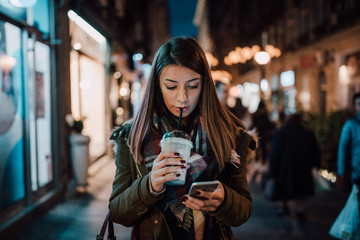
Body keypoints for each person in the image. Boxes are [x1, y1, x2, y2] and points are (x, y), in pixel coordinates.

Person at [108, 37, 257, 240]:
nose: (183, 98)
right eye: (171, 87)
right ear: (157, 86)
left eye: (193, 85)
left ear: (204, 85)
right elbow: (117, 212)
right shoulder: (133, 134)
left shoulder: (230, 135)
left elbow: (243, 211)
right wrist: (150, 185)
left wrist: (224, 200)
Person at [268, 114, 320, 221]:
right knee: (302, 191)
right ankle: (300, 211)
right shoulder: (307, 134)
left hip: (285, 167)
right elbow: (315, 151)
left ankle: (284, 207)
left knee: (283, 187)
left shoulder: (281, 133)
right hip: (304, 166)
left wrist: (273, 168)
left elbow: (275, 153)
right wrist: (316, 164)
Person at [337, 92, 360, 209]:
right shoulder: (351, 124)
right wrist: (341, 172)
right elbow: (343, 148)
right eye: (359, 104)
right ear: (355, 107)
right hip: (356, 172)